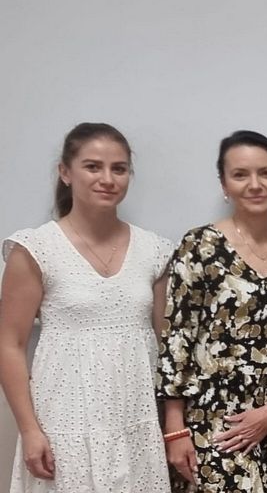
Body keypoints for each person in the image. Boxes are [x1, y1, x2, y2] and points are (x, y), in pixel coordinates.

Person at [0, 122, 173, 492]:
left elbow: (168, 345)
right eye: (93, 167)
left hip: (136, 418)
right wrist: (30, 430)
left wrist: (174, 426)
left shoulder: (154, 251)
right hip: (64, 421)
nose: (107, 179)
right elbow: (10, 345)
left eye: (119, 169)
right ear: (66, 172)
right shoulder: (36, 248)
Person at [156, 130, 267, 492]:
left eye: (266, 173)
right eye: (240, 175)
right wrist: (174, 430)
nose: (255, 184)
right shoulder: (199, 246)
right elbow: (177, 339)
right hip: (217, 427)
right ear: (224, 184)